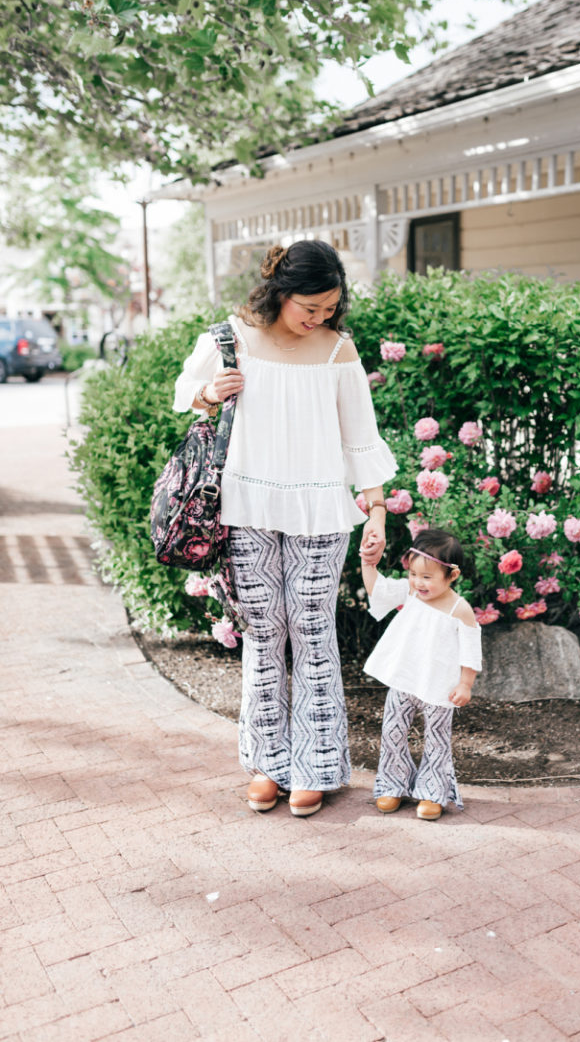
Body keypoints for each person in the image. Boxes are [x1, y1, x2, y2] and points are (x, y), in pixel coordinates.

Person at [173, 240, 396, 817]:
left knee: (313, 629)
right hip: (246, 505)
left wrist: (375, 511)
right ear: (280, 292)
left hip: (320, 508)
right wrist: (208, 393)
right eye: (309, 308)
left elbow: (360, 440)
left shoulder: (336, 350)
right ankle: (267, 764)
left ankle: (318, 765)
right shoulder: (230, 340)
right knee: (264, 631)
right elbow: (185, 393)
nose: (318, 318)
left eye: (329, 309)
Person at [361, 528, 482, 820]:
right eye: (414, 574)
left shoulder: (460, 609)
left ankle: (432, 790)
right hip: (404, 678)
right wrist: (368, 564)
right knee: (392, 731)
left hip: (440, 686)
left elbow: (470, 652)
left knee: (438, 738)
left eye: (427, 577)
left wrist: (465, 684)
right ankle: (393, 783)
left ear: (452, 576)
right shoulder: (410, 591)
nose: (419, 582)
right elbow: (377, 590)